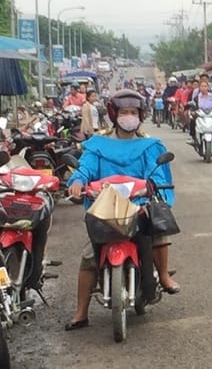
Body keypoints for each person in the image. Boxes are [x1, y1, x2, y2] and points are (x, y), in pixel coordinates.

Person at [63, 89, 179, 330]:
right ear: (115, 115)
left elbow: (156, 173)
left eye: (133, 112)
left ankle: (164, 275)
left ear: (141, 115)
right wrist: (76, 182)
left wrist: (152, 185)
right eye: (124, 112)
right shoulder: (97, 145)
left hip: (137, 204)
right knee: (88, 258)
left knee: (158, 229)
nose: (129, 116)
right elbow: (85, 168)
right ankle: (80, 312)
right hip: (105, 206)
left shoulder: (150, 145)